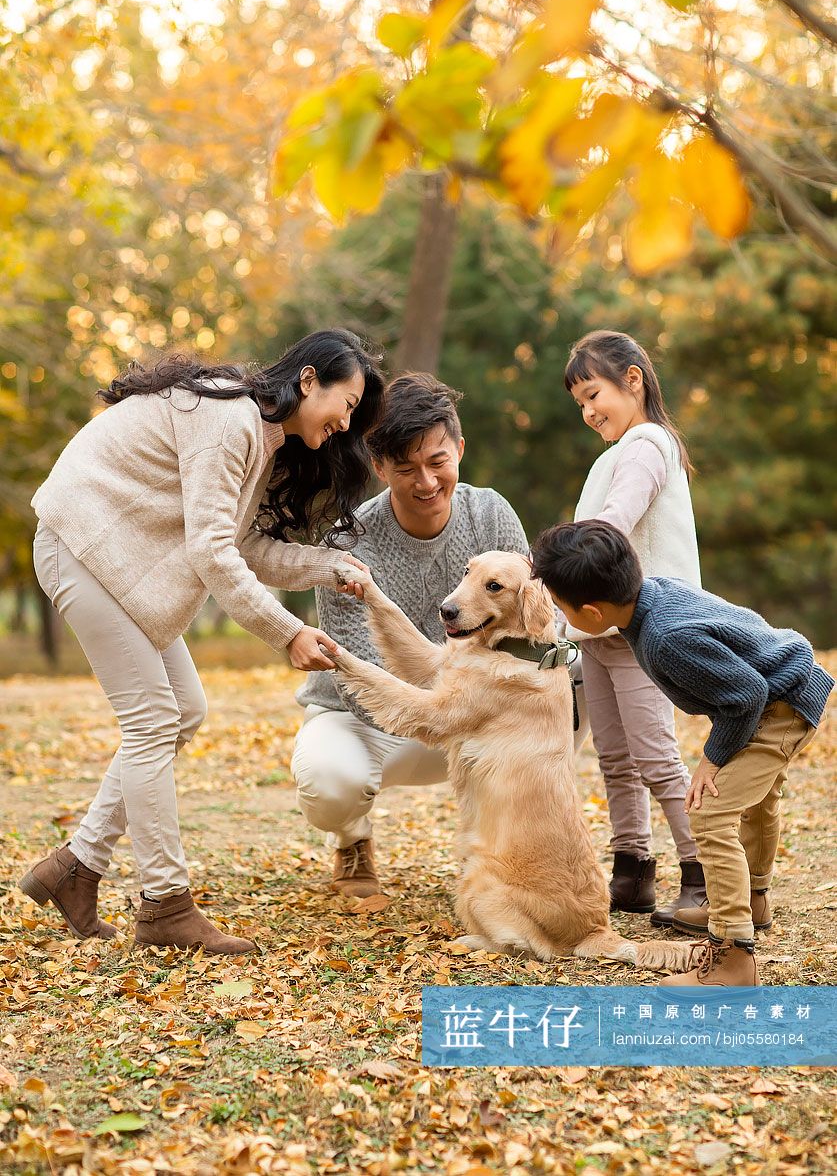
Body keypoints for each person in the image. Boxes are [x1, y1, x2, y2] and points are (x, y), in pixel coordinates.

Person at [20, 329, 384, 954]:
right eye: (345, 404)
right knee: (153, 719)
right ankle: (164, 904)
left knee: (183, 709)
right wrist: (287, 632)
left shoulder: (256, 436)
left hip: (114, 567)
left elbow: (243, 548)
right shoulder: (227, 418)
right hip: (79, 547)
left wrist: (330, 567)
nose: (346, 424)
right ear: (307, 381)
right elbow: (211, 552)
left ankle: (76, 868)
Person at [291, 373, 587, 897]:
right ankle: (352, 837)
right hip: (372, 720)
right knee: (331, 782)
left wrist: (473, 701)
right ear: (378, 466)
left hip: (467, 708)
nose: (426, 482)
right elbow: (366, 674)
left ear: (460, 451)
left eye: (437, 462)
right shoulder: (349, 542)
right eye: (405, 468)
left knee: (580, 682)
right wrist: (455, 702)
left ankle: (510, 845)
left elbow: (532, 628)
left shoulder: (490, 512)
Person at [531, 519, 833, 986]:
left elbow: (746, 695)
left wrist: (711, 761)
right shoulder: (651, 595)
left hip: (780, 705)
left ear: (591, 613)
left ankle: (734, 956)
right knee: (758, 801)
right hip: (786, 688)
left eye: (558, 603)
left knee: (710, 814)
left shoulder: (666, 637)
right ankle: (751, 902)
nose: (555, 609)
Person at [564, 329, 704, 926]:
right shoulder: (614, 452)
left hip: (639, 624)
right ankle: (632, 871)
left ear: (633, 379)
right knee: (615, 757)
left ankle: (702, 875)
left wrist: (554, 561)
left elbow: (614, 523)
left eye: (595, 394)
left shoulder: (647, 443)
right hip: (599, 629)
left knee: (655, 756)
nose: (590, 411)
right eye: (581, 404)